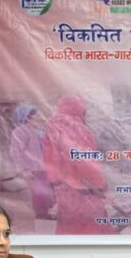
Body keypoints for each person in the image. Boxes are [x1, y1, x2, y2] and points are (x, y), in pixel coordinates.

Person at [42, 95, 114, 234]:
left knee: (68, 223)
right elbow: (86, 161)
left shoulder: (52, 129)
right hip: (84, 188)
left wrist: (56, 182)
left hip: (64, 187)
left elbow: (48, 159)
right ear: (77, 109)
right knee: (91, 224)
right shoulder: (79, 129)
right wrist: (101, 186)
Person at [9, 103, 55, 219]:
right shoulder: (19, 132)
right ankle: (41, 215)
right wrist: (23, 169)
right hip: (33, 168)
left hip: (44, 167)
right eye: (34, 114)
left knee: (48, 192)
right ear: (26, 117)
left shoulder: (38, 131)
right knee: (39, 193)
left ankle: (45, 212)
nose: (38, 115)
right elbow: (16, 152)